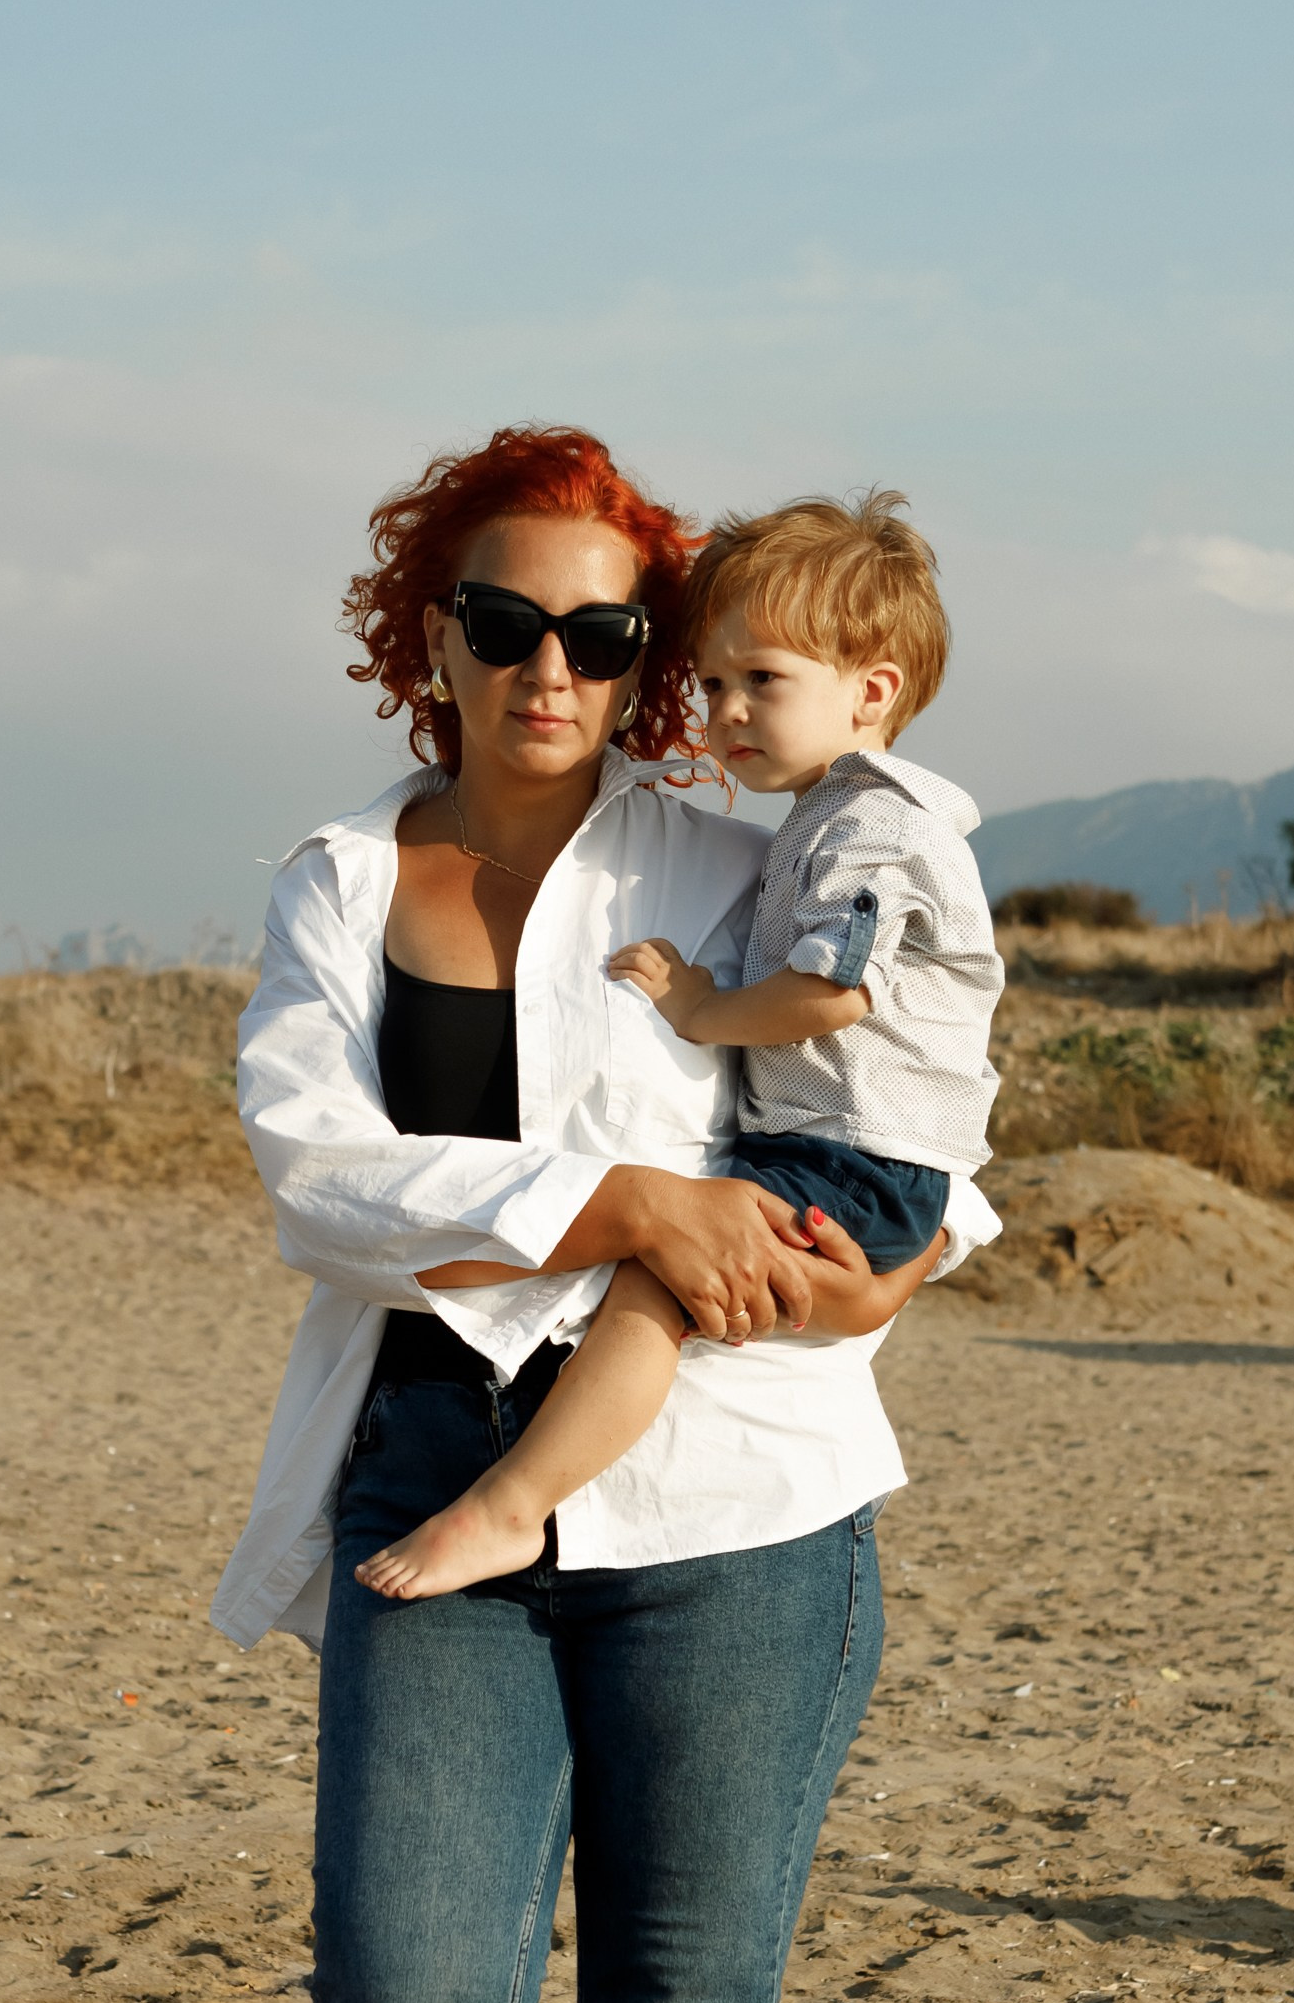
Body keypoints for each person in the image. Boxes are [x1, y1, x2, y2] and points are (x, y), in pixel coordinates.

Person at [210, 425, 998, 2003]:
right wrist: (608, 1203)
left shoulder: (747, 849)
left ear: (647, 660)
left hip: (736, 1482)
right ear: (424, 639)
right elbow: (311, 1171)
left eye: (600, 631)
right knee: (402, 1987)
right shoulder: (338, 883)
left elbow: (913, 1074)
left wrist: (907, 1262)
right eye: (499, 621)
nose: (547, 663)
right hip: (432, 1462)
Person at [354, 491, 1002, 1603]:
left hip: (855, 1157)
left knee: (659, 1286)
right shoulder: (827, 817)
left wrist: (702, 1007)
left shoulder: (869, 829)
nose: (728, 711)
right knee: (670, 1263)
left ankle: (512, 1504)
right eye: (711, 683)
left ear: (874, 690)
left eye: (764, 681)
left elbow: (830, 994)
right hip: (856, 1149)